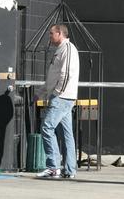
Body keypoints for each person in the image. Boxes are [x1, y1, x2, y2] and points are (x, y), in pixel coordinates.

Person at [36, 24, 80, 179]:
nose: (50, 36)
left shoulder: (67, 49)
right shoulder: (60, 50)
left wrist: (57, 93)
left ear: (60, 33)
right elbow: (53, 76)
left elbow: (66, 73)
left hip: (62, 97)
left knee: (47, 127)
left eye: (51, 33)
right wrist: (41, 93)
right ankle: (69, 170)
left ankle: (53, 167)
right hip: (64, 96)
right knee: (67, 134)